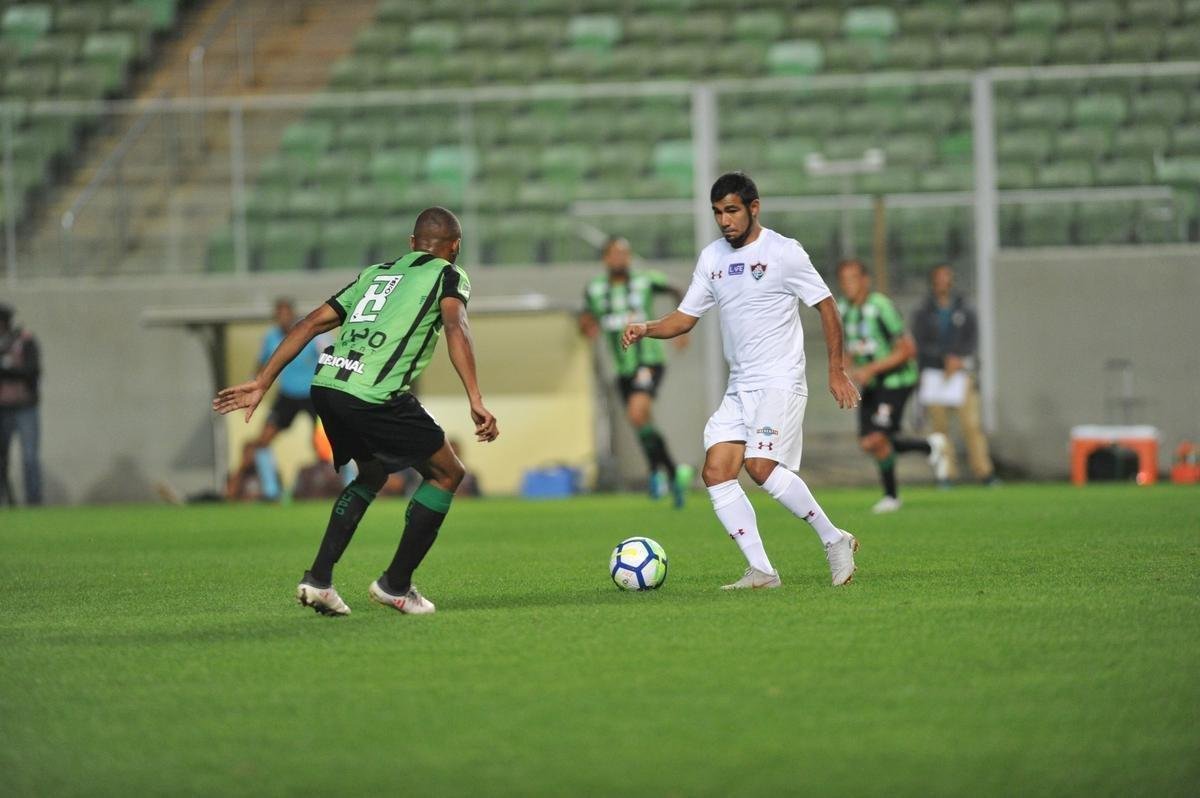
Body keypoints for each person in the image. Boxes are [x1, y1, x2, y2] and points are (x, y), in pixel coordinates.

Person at [213, 207, 499, 616]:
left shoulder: (376, 274)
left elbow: (311, 322)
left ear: (411, 243)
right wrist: (474, 396)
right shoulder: (450, 274)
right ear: (455, 247)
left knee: (372, 473)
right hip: (373, 392)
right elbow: (456, 327)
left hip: (328, 384)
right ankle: (395, 585)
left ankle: (319, 580)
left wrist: (262, 381)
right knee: (447, 472)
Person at [622, 172, 862, 589]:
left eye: (731, 211)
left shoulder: (784, 252)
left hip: (780, 380)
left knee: (760, 466)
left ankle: (834, 538)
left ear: (754, 208)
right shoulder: (713, 258)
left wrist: (836, 369)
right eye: (717, 213)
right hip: (741, 386)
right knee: (716, 471)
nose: (724, 221)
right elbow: (684, 319)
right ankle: (762, 571)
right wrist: (646, 327)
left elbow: (826, 305)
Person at [580, 236, 692, 506]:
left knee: (637, 411)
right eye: (614, 253)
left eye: (624, 253)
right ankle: (673, 472)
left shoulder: (646, 280)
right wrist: (587, 326)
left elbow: (678, 289)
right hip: (623, 367)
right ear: (605, 258)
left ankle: (657, 472)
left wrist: (682, 325)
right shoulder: (594, 289)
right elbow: (586, 317)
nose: (620, 258)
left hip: (650, 361)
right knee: (642, 422)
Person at [835, 259, 948, 513]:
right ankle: (930, 446)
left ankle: (891, 496)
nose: (848, 285)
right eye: (843, 280)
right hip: (873, 383)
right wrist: (842, 371)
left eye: (853, 278)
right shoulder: (843, 309)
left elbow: (908, 350)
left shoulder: (880, 307)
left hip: (897, 381)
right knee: (869, 443)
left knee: (877, 437)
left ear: (865, 280)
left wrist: (871, 369)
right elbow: (849, 348)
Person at [236, 298, 324, 500]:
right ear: (276, 317)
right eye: (279, 315)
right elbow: (261, 364)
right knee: (263, 440)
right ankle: (271, 491)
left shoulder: (310, 332)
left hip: (314, 394)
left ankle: (348, 484)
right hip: (287, 396)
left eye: (287, 314)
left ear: (293, 315)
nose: (283, 319)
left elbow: (330, 354)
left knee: (330, 443)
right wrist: (251, 388)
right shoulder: (271, 337)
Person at [0, 303, 41, 506]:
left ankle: (34, 502)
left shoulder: (24, 340)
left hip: (25, 407)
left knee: (29, 457)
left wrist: (7, 369)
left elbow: (32, 370)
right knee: (1, 459)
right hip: (2, 408)